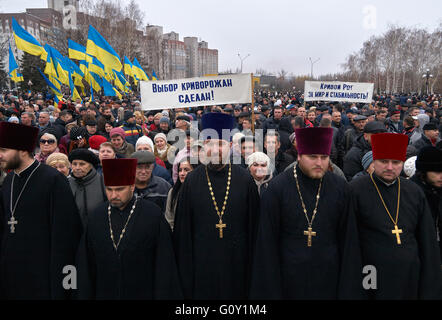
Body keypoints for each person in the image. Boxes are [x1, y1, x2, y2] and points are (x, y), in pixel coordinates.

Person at [250, 127, 364, 299]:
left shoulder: (341, 188)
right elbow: (266, 244)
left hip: (329, 280)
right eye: (312, 157)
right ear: (299, 156)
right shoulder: (277, 188)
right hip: (288, 280)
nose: (319, 163)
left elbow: (349, 242)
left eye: (324, 157)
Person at [173, 112, 260, 299]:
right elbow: (183, 232)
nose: (215, 149)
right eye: (210, 143)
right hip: (201, 265)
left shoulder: (245, 180)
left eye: (220, 144)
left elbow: (254, 228)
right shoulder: (191, 181)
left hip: (238, 266)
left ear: (229, 146)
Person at [349, 133, 442, 299]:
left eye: (396, 162)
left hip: (410, 274)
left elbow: (427, 241)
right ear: (374, 161)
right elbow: (350, 241)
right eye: (384, 161)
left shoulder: (414, 191)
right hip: (371, 274)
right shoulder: (355, 190)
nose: (390, 167)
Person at [76, 158, 182, 299]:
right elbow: (86, 265)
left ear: (132, 187)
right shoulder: (97, 216)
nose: (113, 195)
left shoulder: (152, 214)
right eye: (109, 189)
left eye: (119, 189)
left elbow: (165, 262)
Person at [0, 122, 82, 299]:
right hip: (11, 276)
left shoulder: (53, 180)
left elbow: (66, 237)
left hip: (43, 277)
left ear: (22, 150)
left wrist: (63, 287)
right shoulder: (8, 181)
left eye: (4, 149)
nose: (0, 155)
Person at [411, 146, 442, 259]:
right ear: (424, 171)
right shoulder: (412, 193)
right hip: (421, 253)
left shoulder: (437, 189)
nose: (441, 176)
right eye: (437, 172)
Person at [68, 149, 106, 228]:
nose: (77, 168)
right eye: (74, 164)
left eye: (82, 164)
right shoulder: (66, 183)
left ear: (91, 165)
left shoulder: (103, 182)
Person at [164, 158, 196, 230]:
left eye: (186, 170)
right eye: (180, 170)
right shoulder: (173, 192)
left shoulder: (200, 191)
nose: (182, 173)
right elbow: (169, 220)